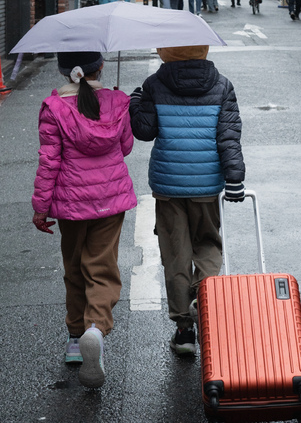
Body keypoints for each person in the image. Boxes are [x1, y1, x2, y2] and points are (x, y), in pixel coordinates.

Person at [129, 46, 245, 355]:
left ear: (166, 51)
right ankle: (202, 301)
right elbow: (229, 136)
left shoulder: (154, 83)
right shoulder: (221, 84)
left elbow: (144, 131)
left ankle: (183, 331)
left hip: (169, 185)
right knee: (207, 244)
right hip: (207, 183)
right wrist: (235, 178)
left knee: (175, 254)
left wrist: (135, 102)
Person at [32, 51, 137, 389]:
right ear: (101, 66)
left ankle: (77, 339)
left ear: (64, 71)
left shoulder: (54, 108)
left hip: (71, 203)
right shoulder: (117, 100)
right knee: (103, 268)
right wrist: (117, 107)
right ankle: (96, 328)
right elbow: (125, 147)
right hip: (110, 198)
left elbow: (49, 161)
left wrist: (40, 207)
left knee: (75, 266)